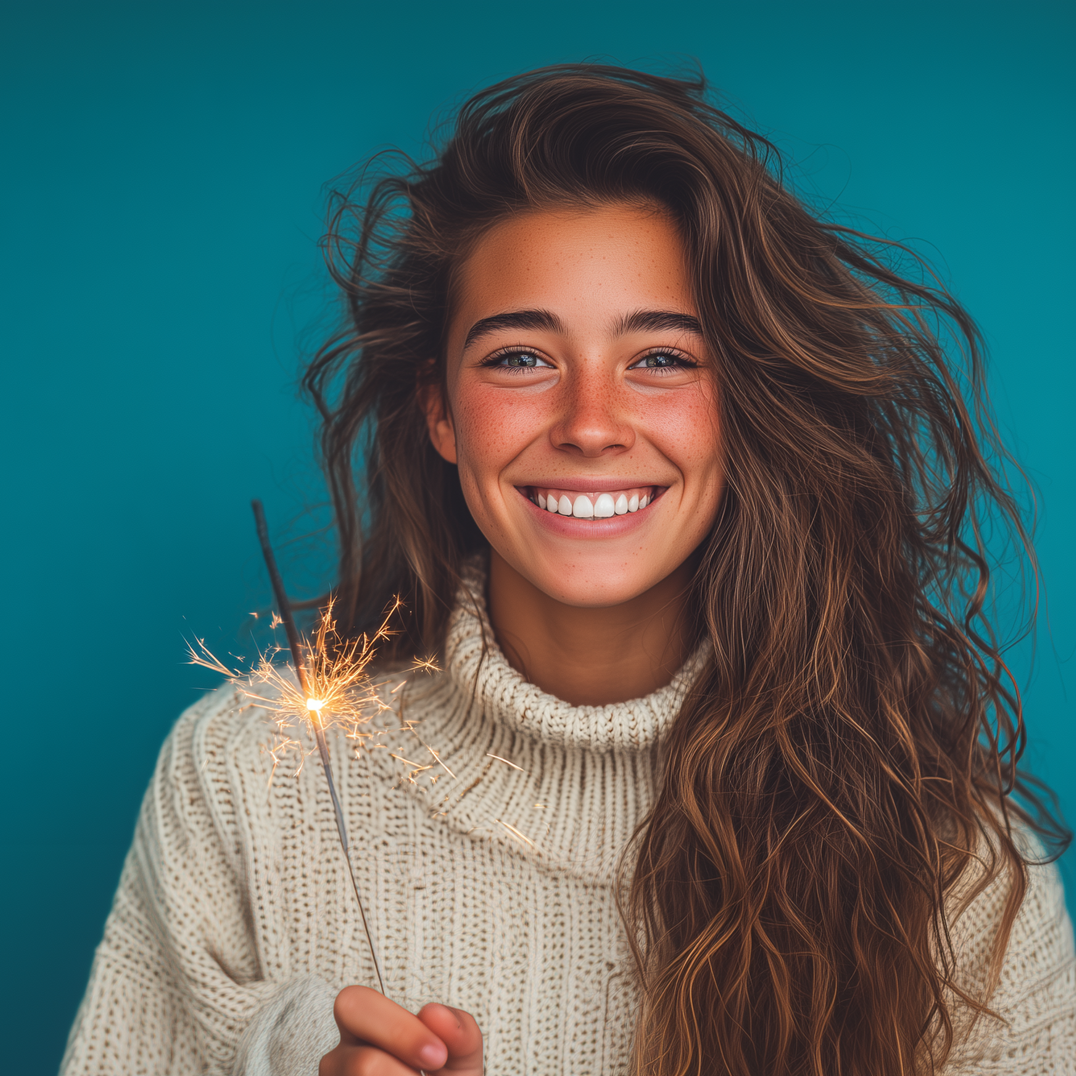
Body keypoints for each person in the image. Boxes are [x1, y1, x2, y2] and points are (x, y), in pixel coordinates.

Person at [61, 65, 1074, 1076]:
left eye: (663, 359)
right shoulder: (242, 774)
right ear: (440, 410)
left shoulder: (948, 855)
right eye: (518, 357)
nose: (590, 424)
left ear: (746, 403)